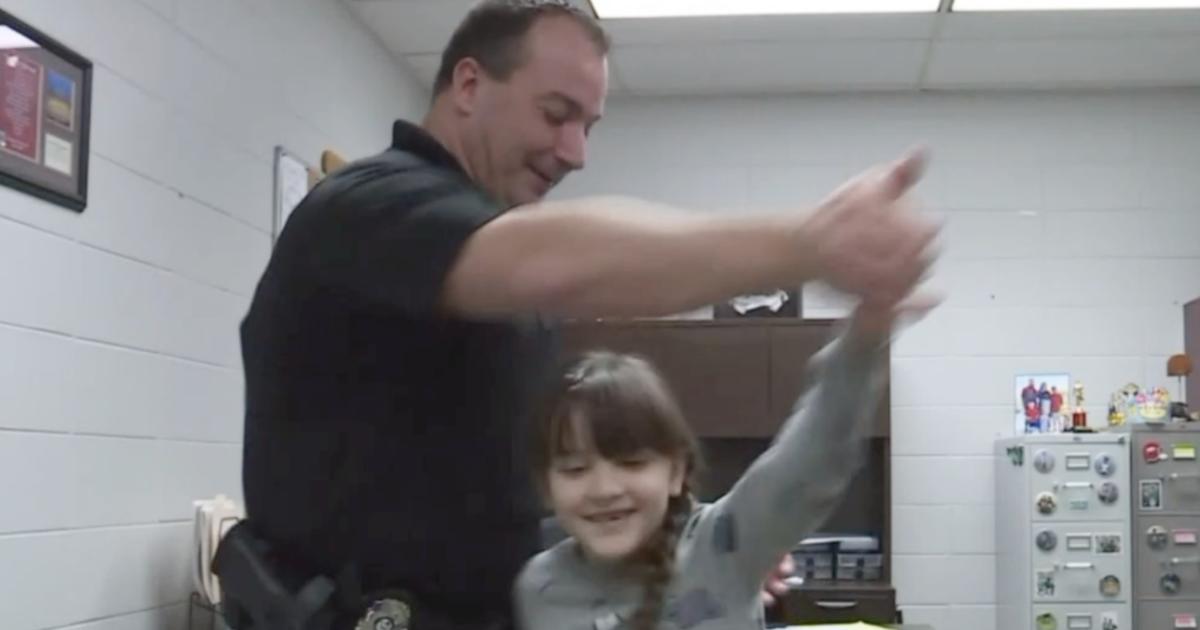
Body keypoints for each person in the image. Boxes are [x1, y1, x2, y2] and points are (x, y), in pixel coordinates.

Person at [221, 1, 939, 629]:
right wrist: (809, 243)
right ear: (469, 85)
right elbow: (558, 261)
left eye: (588, 125)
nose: (577, 152)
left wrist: (694, 551)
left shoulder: (490, 275)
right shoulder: (371, 206)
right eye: (557, 114)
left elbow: (485, 496)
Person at [516, 297, 931, 630]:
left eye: (631, 462)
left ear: (676, 471)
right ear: (545, 485)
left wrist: (863, 341)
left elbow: (810, 464)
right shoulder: (538, 589)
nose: (604, 488)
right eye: (575, 469)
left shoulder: (724, 544)